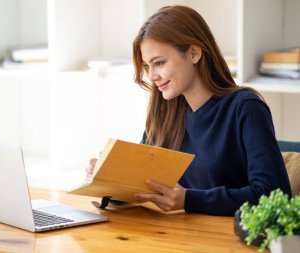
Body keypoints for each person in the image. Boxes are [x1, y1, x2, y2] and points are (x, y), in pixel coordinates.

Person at [86, 5, 291, 216]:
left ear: (194, 53)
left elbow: (274, 194)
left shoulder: (245, 107)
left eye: (159, 63)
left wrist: (189, 199)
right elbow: (145, 186)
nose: (152, 76)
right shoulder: (164, 111)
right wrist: (109, 180)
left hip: (228, 241)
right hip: (175, 238)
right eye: (148, 67)